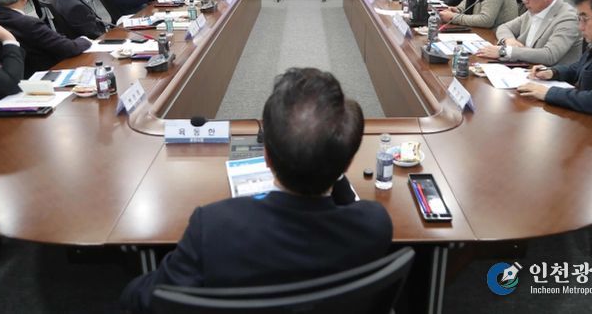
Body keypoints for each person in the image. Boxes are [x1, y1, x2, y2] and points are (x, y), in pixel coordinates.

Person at [120, 67, 393, 313]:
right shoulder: (374, 224)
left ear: (267, 157)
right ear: (348, 163)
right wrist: (336, 174)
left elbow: (146, 299)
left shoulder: (213, 227)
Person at [0, 0, 90, 77]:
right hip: (50, 73)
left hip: (20, 76)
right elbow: (69, 48)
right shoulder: (29, 24)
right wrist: (85, 40)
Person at [477, 0, 581, 65]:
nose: (524, 0)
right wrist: (509, 40)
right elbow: (504, 27)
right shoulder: (535, 9)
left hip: (549, 74)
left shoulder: (568, 18)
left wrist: (506, 51)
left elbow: (549, 55)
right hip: (525, 67)